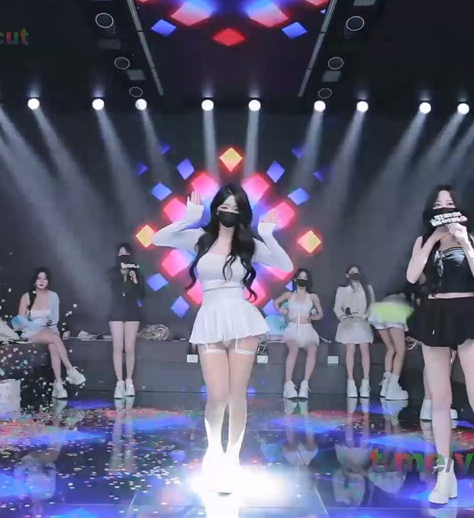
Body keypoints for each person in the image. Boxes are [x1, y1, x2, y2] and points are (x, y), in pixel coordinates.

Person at [152, 184, 293, 493]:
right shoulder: (200, 238)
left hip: (241, 319)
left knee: (236, 394)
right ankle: (213, 450)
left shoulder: (248, 244)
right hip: (210, 319)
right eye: (224, 207)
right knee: (217, 395)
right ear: (215, 209)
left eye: (234, 208)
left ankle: (232, 458)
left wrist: (268, 235)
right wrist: (187, 218)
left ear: (242, 213)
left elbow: (286, 266)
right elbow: (157, 239)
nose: (228, 212)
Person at [405, 185, 474, 506]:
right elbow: (412, 277)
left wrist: (464, 241)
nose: (444, 208)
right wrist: (433, 240)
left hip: (467, 312)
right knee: (439, 400)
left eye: (449, 203)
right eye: (438, 205)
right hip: (435, 314)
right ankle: (444, 473)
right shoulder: (424, 241)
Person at [16, 267, 86, 399]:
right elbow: (19, 321)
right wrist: (35, 326)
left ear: (48, 281)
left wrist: (48, 328)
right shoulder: (26, 296)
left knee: (53, 345)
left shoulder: (53, 296)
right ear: (34, 281)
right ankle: (70, 370)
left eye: (45, 278)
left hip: (49, 331)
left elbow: (54, 319)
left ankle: (59, 384)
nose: (42, 281)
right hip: (30, 332)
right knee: (54, 339)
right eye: (39, 278)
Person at [272, 268, 323, 400]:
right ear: (295, 279)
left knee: (312, 349)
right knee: (293, 349)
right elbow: (276, 302)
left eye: (305, 278)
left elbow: (320, 314)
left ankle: (304, 384)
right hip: (292, 329)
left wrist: (313, 317)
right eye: (300, 277)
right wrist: (282, 310)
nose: (302, 280)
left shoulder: (312, 297)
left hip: (307, 329)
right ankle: (288, 385)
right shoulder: (289, 295)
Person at [108, 243, 145, 399]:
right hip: (116, 311)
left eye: (126, 254)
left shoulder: (137, 272)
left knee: (129, 348)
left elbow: (142, 294)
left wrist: (134, 280)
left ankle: (129, 381)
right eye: (120, 254)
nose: (123, 257)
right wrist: (122, 275)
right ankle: (119, 382)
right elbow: (114, 290)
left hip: (132, 311)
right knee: (118, 347)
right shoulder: (112, 272)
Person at [334, 265, 375, 398]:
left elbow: (372, 306)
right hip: (348, 324)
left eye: (357, 272)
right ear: (347, 275)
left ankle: (365, 383)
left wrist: (365, 316)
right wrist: (343, 317)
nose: (355, 274)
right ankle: (350, 382)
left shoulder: (367, 289)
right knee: (350, 348)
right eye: (352, 272)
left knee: (364, 348)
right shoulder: (342, 290)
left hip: (362, 323)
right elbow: (337, 308)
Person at [369, 286, 411, 400]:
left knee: (391, 348)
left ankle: (386, 384)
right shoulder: (405, 296)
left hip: (379, 310)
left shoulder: (389, 294)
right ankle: (393, 387)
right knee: (400, 351)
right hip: (394, 310)